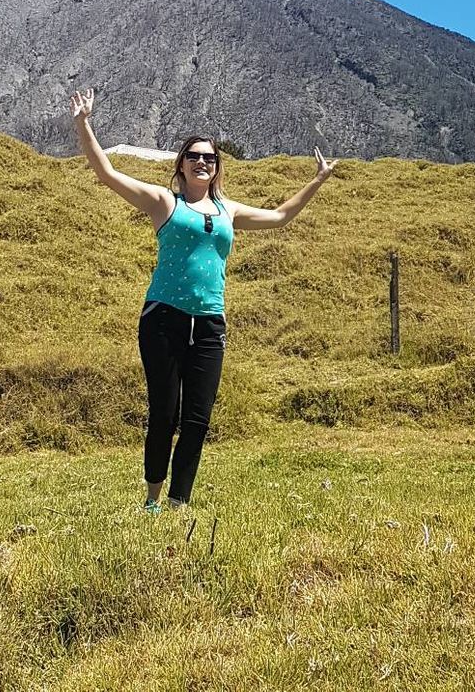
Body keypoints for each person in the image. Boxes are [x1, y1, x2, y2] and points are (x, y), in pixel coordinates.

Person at [70, 87, 336, 513]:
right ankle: (152, 499)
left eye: (209, 158)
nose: (201, 162)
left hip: (210, 324)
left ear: (216, 168)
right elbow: (107, 175)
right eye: (193, 156)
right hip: (163, 319)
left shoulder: (229, 211)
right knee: (165, 413)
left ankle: (178, 503)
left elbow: (282, 216)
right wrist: (84, 123)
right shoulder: (164, 203)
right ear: (181, 165)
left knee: (197, 419)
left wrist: (317, 180)